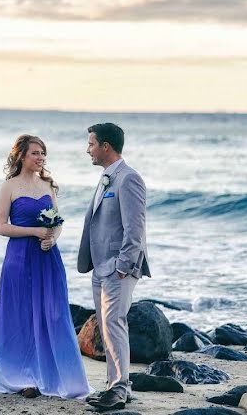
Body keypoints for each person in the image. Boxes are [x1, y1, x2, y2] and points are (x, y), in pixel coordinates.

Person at [0, 134, 92, 399]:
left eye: (43, 153)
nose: (40, 158)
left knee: (53, 314)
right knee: (21, 314)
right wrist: (36, 231)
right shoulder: (9, 187)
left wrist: (51, 238)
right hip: (19, 258)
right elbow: (1, 227)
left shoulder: (47, 185)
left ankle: (56, 374)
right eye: (35, 153)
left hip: (48, 258)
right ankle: (22, 375)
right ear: (22, 156)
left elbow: (57, 222)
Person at [79, 123, 149, 411]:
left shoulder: (128, 178)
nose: (88, 149)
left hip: (118, 268)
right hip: (101, 267)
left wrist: (123, 264)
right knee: (107, 328)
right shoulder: (106, 178)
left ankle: (118, 390)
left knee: (114, 325)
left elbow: (135, 227)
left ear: (106, 146)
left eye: (91, 144)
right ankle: (117, 386)